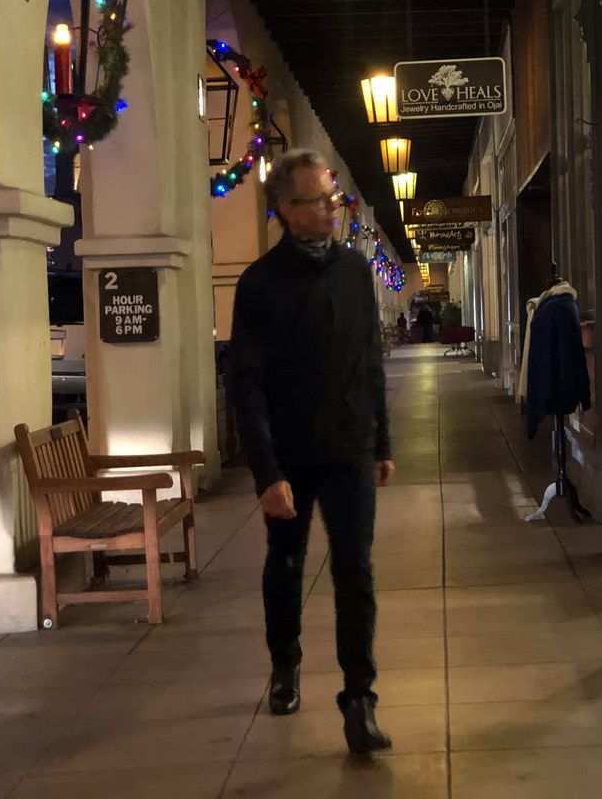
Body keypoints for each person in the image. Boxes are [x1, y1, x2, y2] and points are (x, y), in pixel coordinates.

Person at [229, 149, 395, 755]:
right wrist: (267, 473)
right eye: (320, 200)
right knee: (288, 566)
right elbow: (245, 384)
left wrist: (382, 440)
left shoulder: (354, 271)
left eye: (334, 198)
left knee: (356, 572)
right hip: (292, 456)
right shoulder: (260, 284)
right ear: (286, 209)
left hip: (350, 447)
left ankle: (359, 698)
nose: (331, 208)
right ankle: (286, 664)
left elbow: (370, 360)